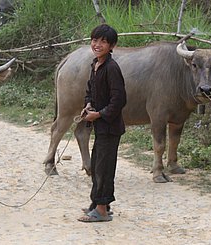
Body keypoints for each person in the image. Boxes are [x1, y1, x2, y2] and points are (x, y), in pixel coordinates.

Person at [77, 24, 126, 222]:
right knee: (98, 165)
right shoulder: (96, 65)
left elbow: (119, 100)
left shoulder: (112, 68)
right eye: (95, 40)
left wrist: (98, 114)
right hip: (101, 126)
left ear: (112, 45)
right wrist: (88, 105)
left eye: (103, 42)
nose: (97, 45)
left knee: (104, 169)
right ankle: (98, 204)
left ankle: (101, 211)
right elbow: (90, 90)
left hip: (110, 127)